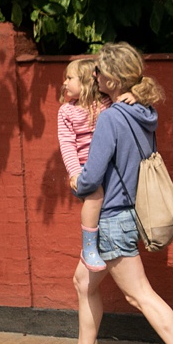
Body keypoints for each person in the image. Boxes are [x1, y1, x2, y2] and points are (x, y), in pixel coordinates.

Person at [41, 43, 173, 344]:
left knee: (139, 294)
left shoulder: (113, 117)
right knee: (83, 282)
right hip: (130, 211)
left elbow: (92, 175)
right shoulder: (141, 110)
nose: (93, 75)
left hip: (114, 216)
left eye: (98, 71)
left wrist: (75, 182)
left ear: (112, 79)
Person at [57, 58, 113, 273]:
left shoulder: (106, 103)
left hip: (109, 163)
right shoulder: (66, 112)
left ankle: (167, 221)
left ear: (87, 82)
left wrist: (133, 95)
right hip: (84, 166)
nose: (65, 82)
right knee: (94, 194)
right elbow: (67, 144)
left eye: (70, 78)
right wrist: (75, 172)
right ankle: (89, 246)